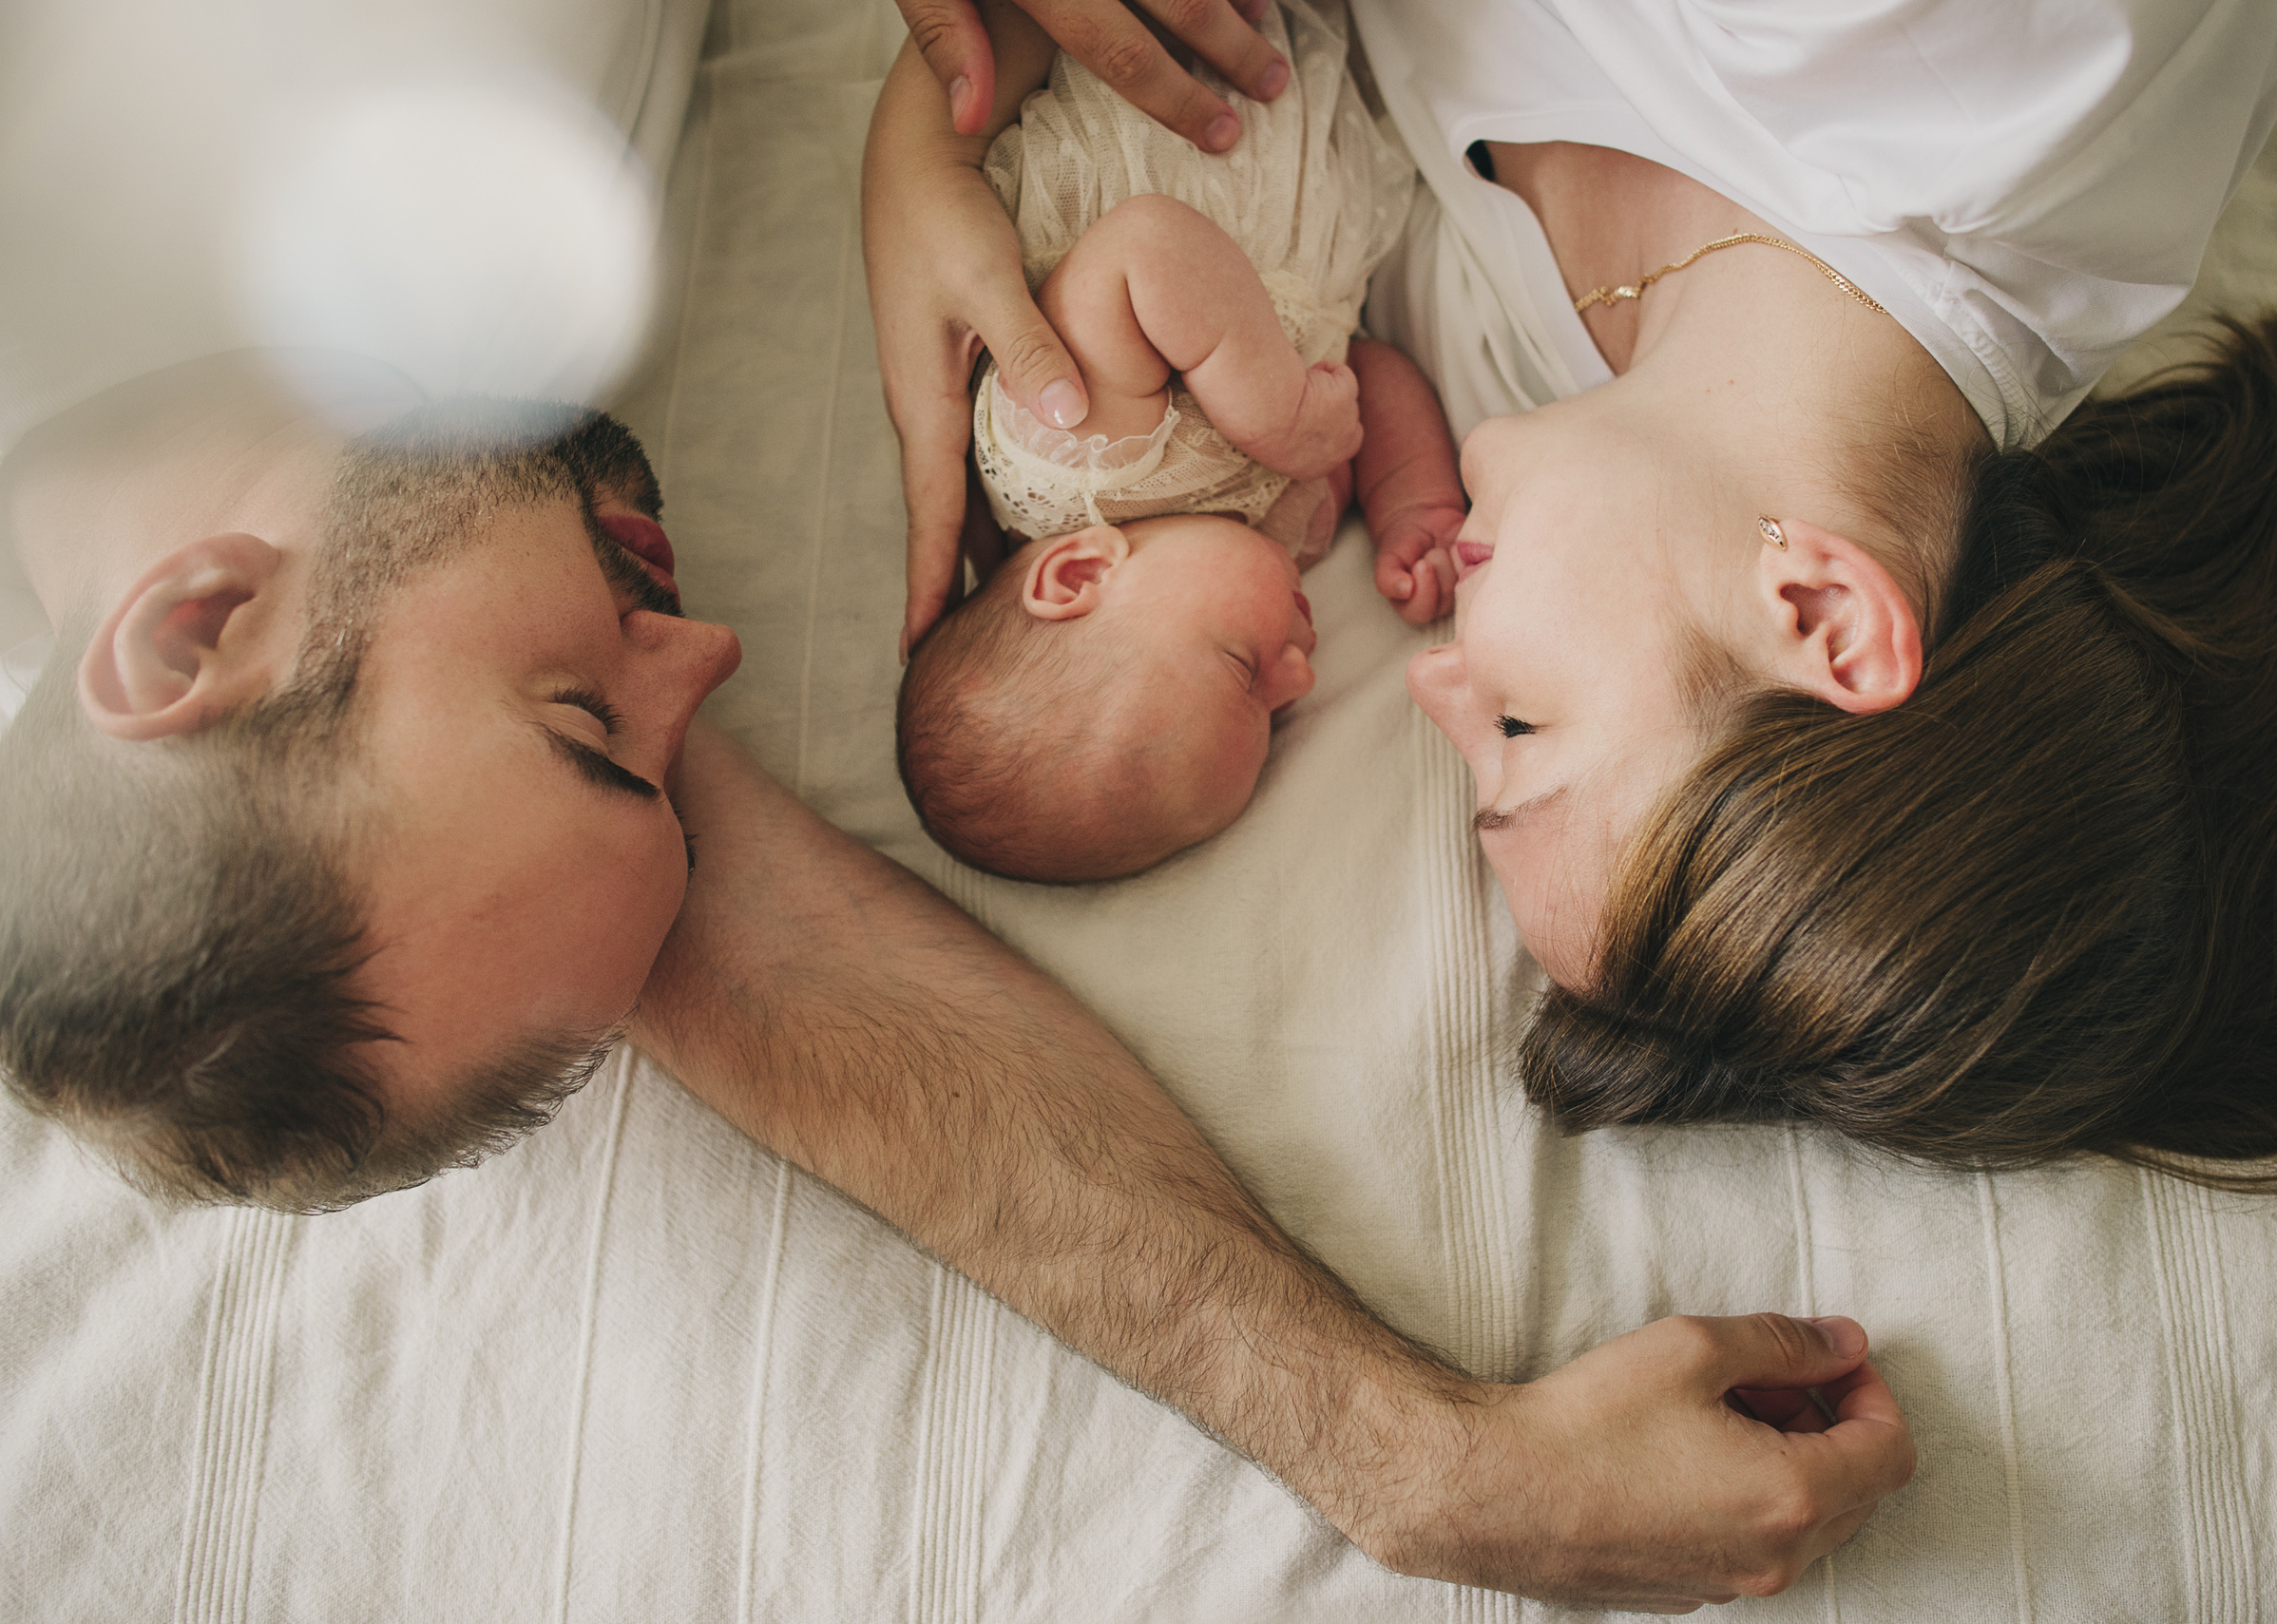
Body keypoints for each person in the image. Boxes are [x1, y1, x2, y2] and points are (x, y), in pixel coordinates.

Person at [0, 345, 1914, 1610]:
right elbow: (782, 968)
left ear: (203, 622)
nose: (711, 651)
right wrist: (1418, 1463)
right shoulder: (402, 589)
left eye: (587, 711)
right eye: (653, 763)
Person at [881, 0, 2277, 1193]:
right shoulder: (1999, 60)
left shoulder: (1506, 374)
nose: (1432, 678)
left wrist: (933, 129)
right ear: (1820, 610)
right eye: (1523, 725)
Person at [890, 0, 1466, 880]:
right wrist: (1413, 499)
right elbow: (1361, 380)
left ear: (1078, 574)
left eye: (1246, 672)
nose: (1300, 678)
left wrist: (1272, 409)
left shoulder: (1072, 465)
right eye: (1277, 713)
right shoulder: (1283, 535)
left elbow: (1142, 248)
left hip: (1164, 79)